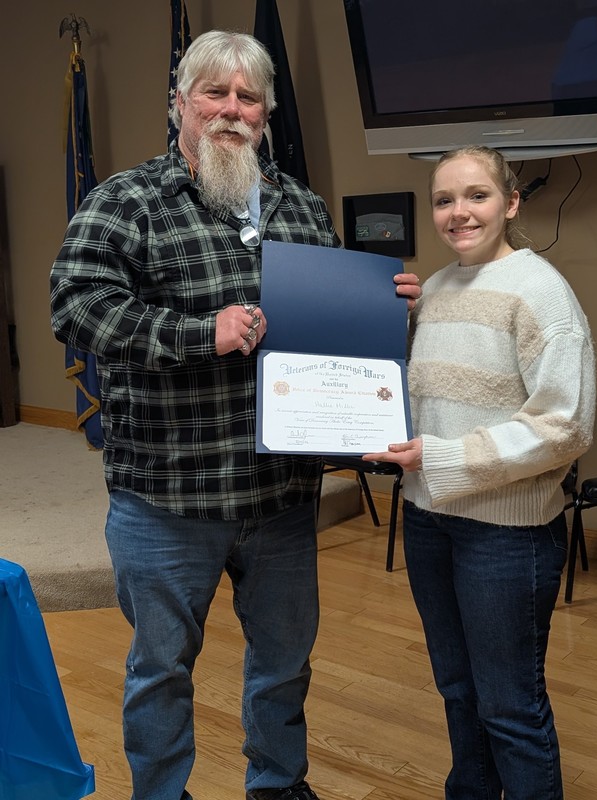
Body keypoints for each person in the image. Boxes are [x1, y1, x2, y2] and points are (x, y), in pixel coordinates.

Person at [50, 29, 420, 800]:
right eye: (213, 92)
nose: (230, 109)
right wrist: (199, 334)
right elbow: (77, 306)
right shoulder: (125, 201)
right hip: (169, 497)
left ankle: (279, 785)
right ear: (179, 103)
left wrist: (384, 312)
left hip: (280, 497)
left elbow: (331, 339)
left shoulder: (302, 207)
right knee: (160, 671)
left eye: (247, 97)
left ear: (265, 114)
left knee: (284, 663)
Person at [363, 145, 596, 800]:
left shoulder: (541, 294)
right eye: (444, 199)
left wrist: (439, 456)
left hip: (507, 536)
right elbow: (420, 399)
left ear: (511, 203)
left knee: (510, 709)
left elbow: (566, 428)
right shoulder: (432, 292)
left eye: (476, 195)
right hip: (430, 523)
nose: (459, 212)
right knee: (458, 692)